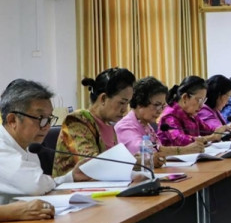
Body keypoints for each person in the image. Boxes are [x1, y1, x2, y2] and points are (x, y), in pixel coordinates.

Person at [53, 68, 143, 180]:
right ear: (103, 98)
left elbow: (112, 164)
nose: (125, 109)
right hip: (73, 189)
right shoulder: (77, 120)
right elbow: (92, 165)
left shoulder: (110, 125)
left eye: (127, 103)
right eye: (121, 102)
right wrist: (135, 161)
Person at [0, 79, 58, 209]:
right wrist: (48, 180)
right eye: (41, 118)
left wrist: (70, 178)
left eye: (49, 119)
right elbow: (36, 185)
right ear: (12, 120)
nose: (47, 126)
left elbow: (40, 183)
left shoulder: (28, 147)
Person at [115, 77, 204, 157]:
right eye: (157, 105)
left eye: (163, 106)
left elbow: (158, 149)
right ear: (140, 103)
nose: (160, 111)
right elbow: (147, 153)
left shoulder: (145, 124)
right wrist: (185, 150)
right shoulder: (125, 127)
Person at [157, 76, 226, 147]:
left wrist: (224, 129)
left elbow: (207, 130)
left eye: (203, 101)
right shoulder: (169, 116)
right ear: (185, 97)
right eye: (199, 100)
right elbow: (180, 140)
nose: (201, 105)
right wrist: (211, 138)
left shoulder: (191, 114)